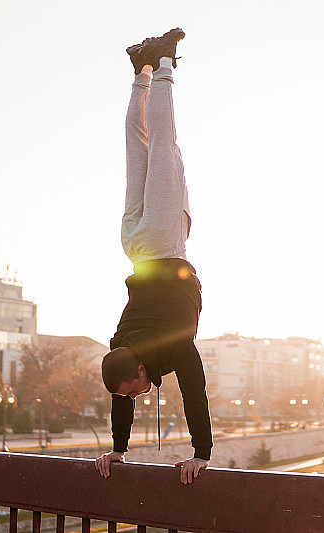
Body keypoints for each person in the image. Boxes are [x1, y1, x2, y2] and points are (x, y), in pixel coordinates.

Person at [94, 28, 211, 485]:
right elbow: (120, 397)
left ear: (139, 369)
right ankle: (140, 70)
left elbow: (196, 392)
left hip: (163, 243)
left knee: (163, 144)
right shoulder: (120, 349)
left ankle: (163, 62)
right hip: (135, 249)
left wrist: (202, 453)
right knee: (136, 149)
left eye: (134, 389)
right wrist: (117, 450)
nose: (135, 396)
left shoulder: (173, 344)